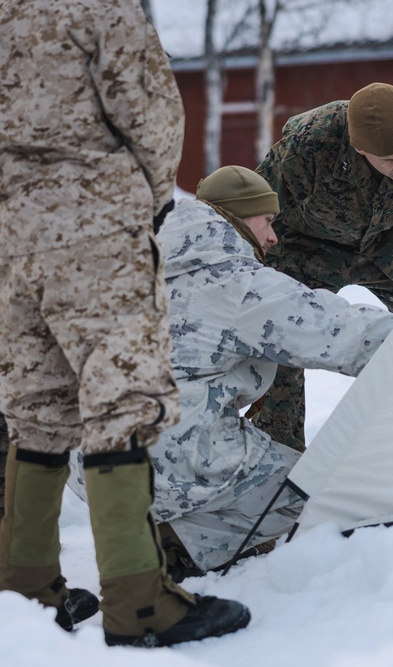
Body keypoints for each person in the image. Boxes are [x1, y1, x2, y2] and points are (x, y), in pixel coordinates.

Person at [0, 0, 249, 647]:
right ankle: (141, 602)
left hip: (8, 238)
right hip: (95, 230)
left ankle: (25, 586)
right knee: (122, 400)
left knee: (37, 405)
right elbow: (150, 110)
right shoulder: (98, 7)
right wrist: (153, 200)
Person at [67, 166, 393, 580]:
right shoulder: (234, 283)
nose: (273, 237)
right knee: (314, 497)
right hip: (172, 457)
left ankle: (164, 527)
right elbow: (344, 335)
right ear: (242, 217)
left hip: (90, 464)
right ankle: (182, 541)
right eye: (268, 222)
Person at [252, 82, 393, 450]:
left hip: (387, 239)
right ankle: (281, 455)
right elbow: (257, 212)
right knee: (286, 344)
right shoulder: (311, 143)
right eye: (391, 158)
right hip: (305, 244)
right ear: (360, 149)